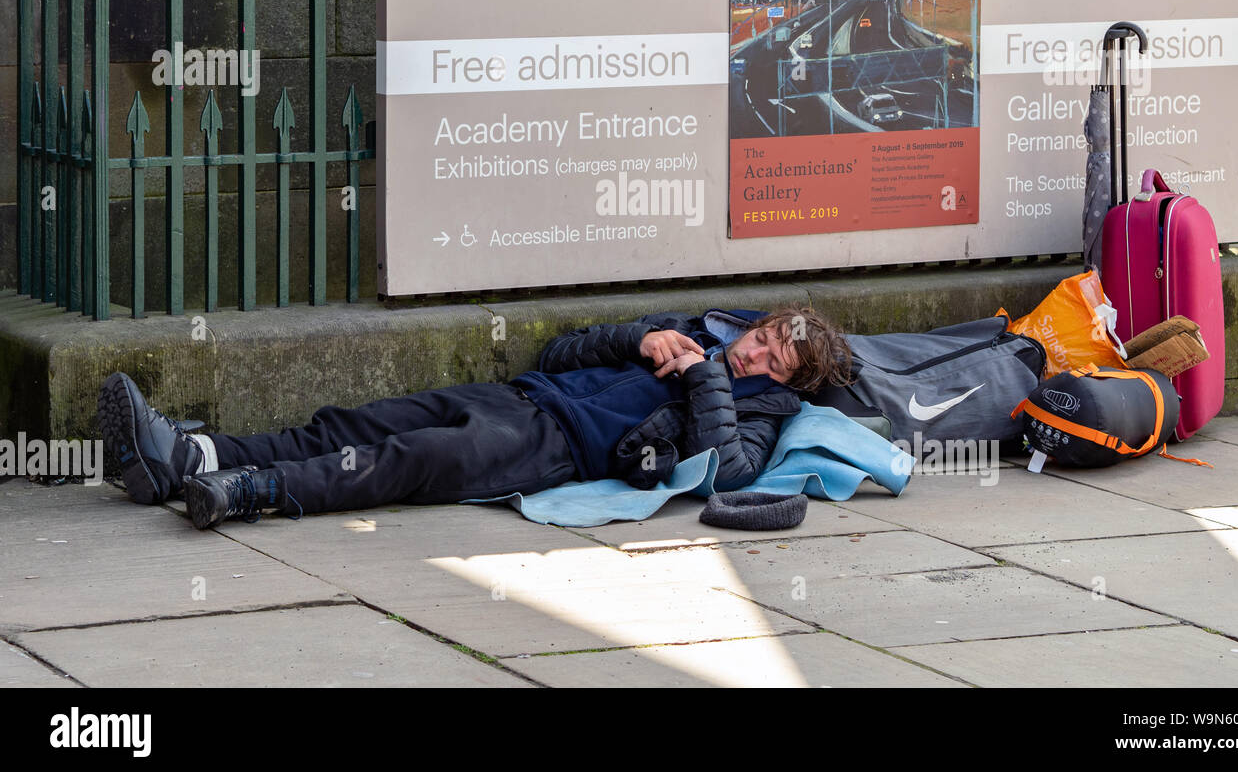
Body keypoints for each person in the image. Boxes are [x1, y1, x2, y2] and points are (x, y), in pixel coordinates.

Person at [97, 305, 853, 530]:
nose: (755, 357)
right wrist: (638, 337)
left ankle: (251, 490)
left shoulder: (763, 405)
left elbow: (735, 466)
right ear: (756, 324)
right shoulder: (695, 327)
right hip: (519, 396)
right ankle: (189, 455)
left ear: (787, 382)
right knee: (354, 423)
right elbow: (563, 351)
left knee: (409, 459)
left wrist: (704, 380)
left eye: (773, 361)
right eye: (759, 341)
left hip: (554, 447)